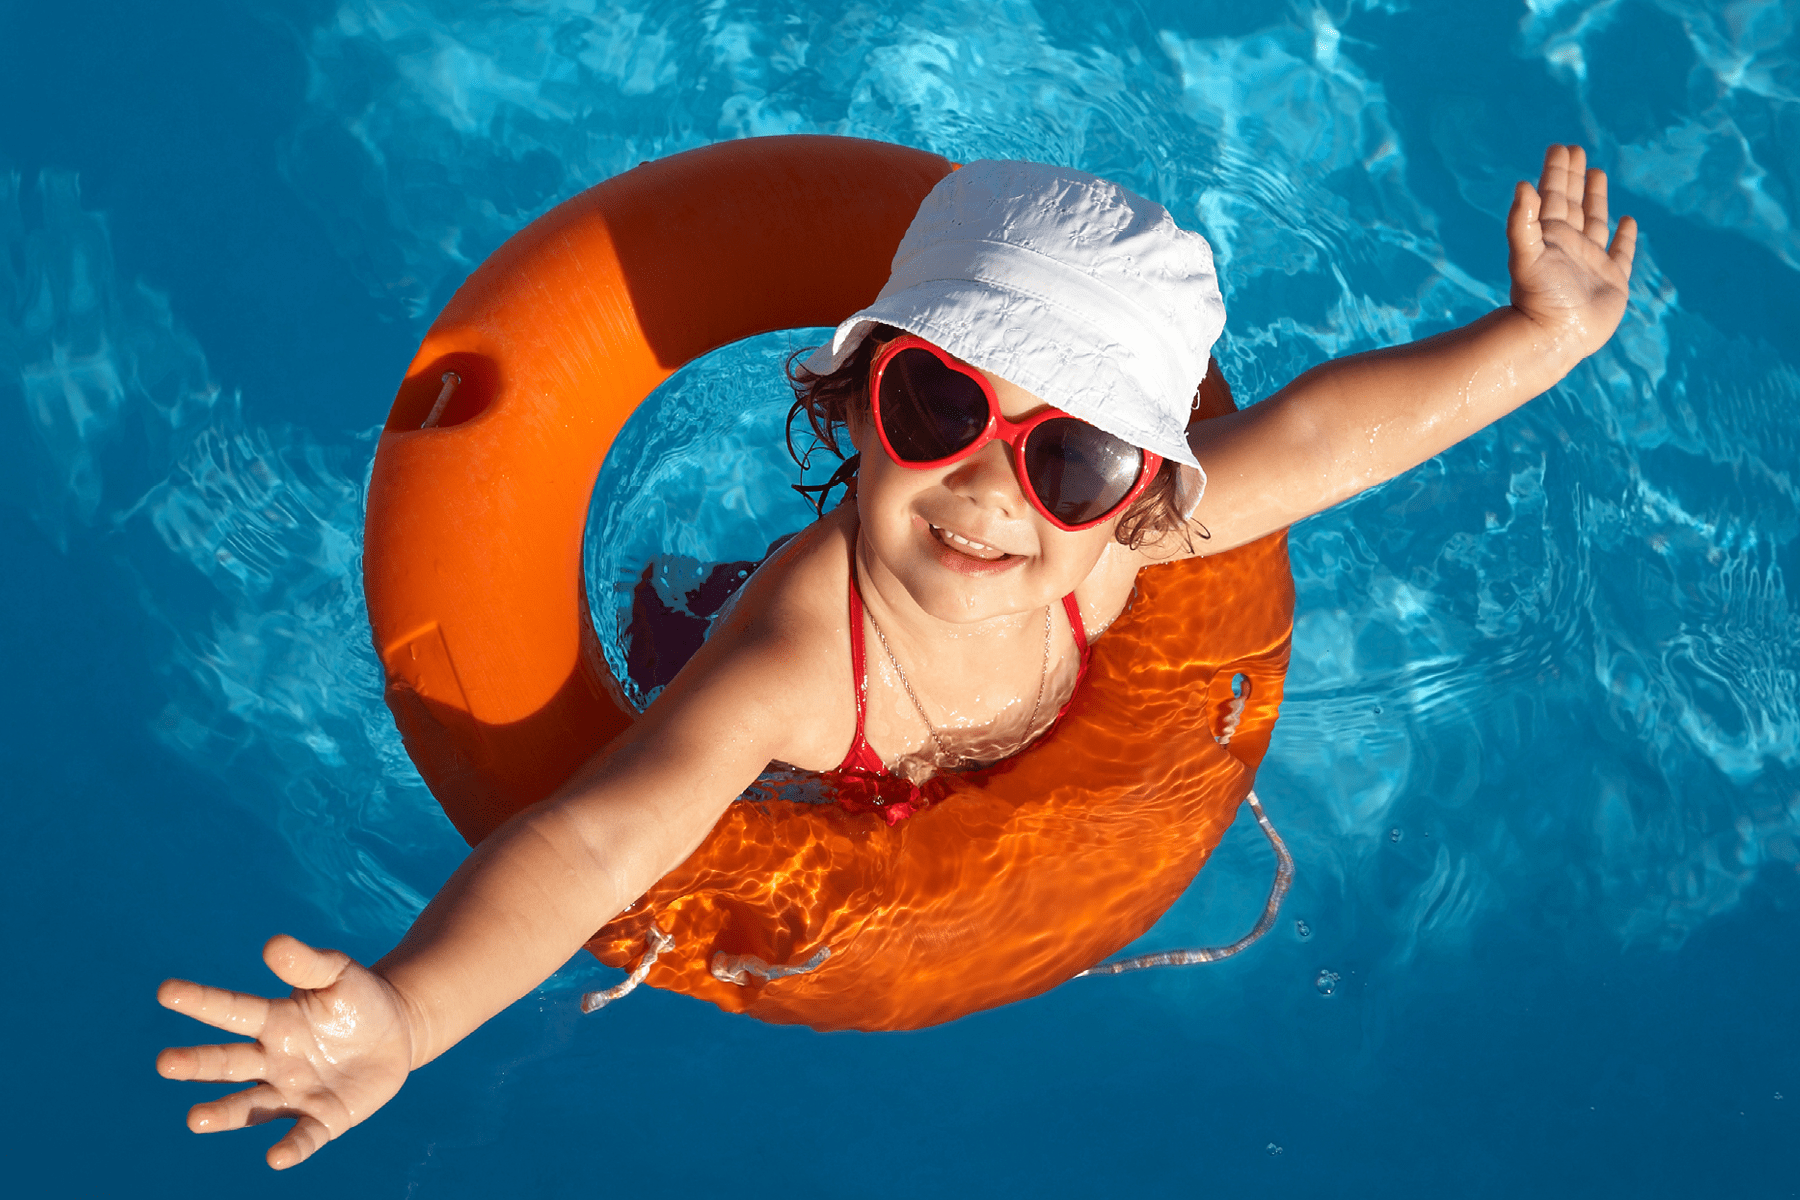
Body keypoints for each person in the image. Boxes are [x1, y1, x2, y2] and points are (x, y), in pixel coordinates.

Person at [157, 145, 1635, 1168]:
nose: (996, 488)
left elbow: (1322, 440)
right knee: (673, 673)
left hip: (979, 776)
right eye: (940, 408)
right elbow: (602, 840)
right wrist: (412, 1010)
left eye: (1075, 453)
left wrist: (1540, 337)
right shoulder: (799, 652)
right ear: (856, 401)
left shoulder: (1125, 553)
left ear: (1145, 486)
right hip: (815, 761)